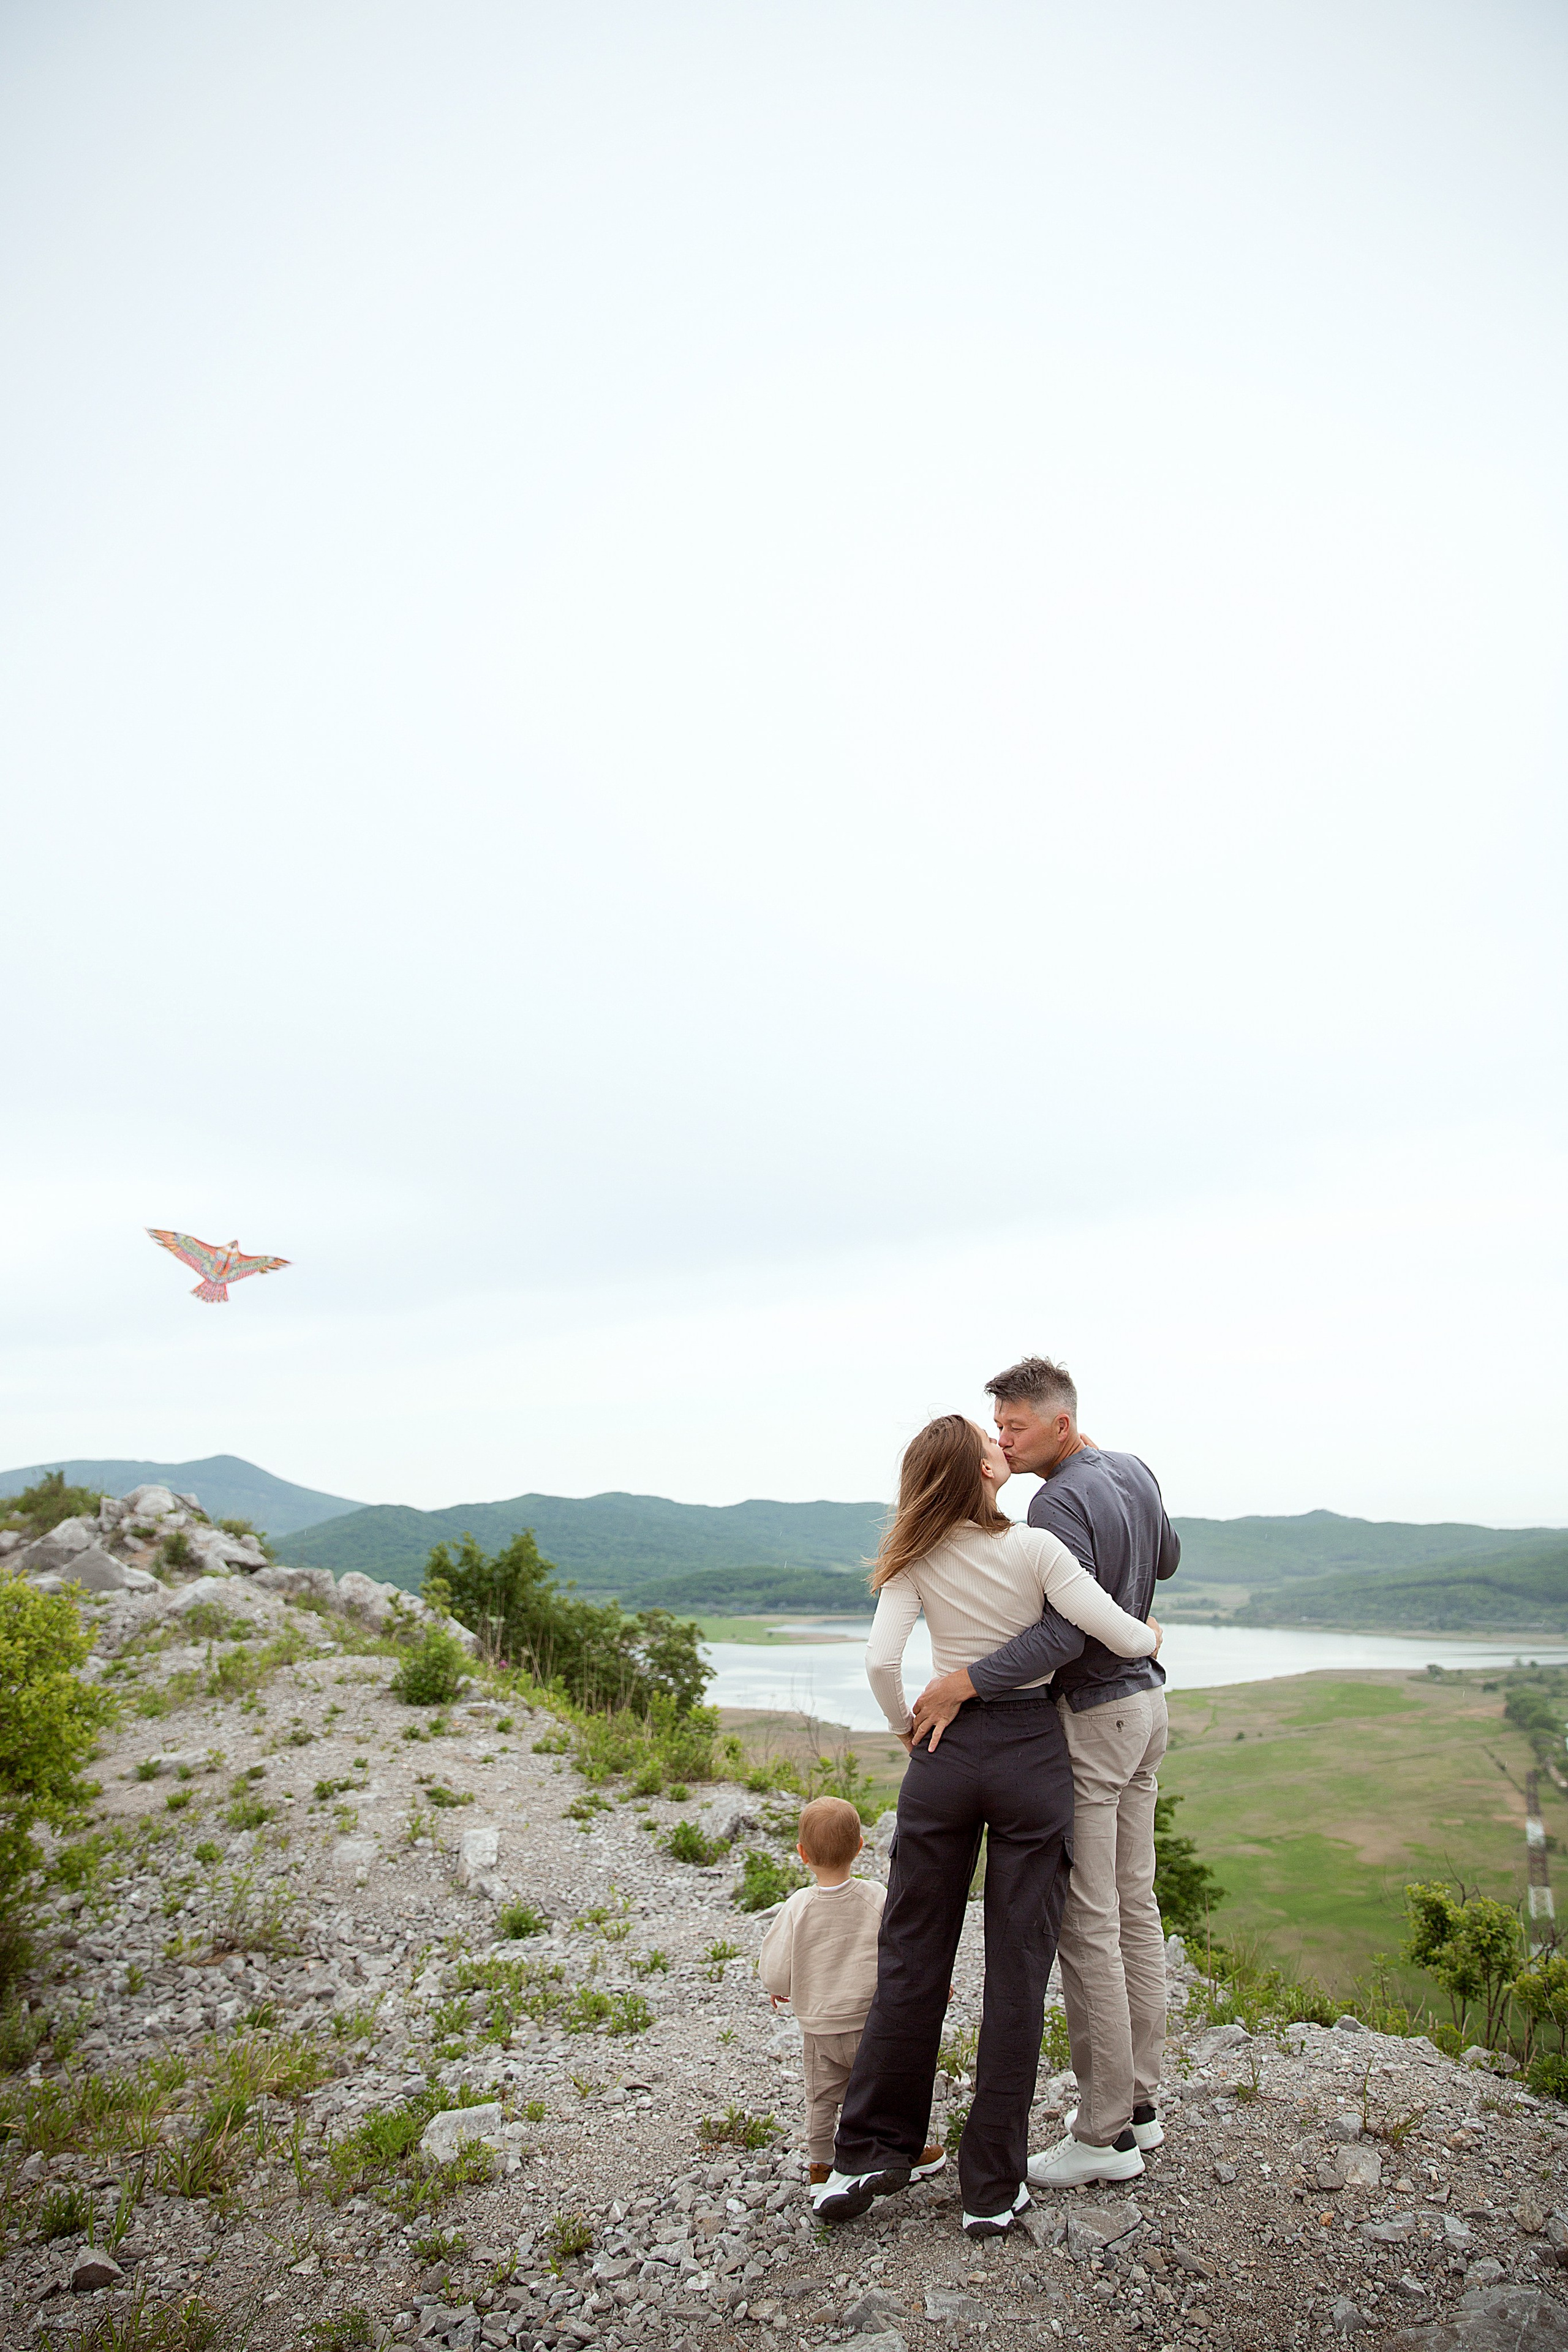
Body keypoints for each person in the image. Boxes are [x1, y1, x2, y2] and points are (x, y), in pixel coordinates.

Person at [815, 1414, 1160, 2237]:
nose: (1004, 1446)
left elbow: (879, 1662)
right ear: (982, 1467)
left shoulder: (915, 1555)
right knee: (1018, 1972)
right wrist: (1146, 1633)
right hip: (1029, 1754)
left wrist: (908, 1726)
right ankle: (991, 2188)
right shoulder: (1036, 1548)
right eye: (991, 1440)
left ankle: (869, 2150)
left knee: (911, 1953)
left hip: (942, 1755)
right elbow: (1105, 1628)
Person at [910, 1356, 1180, 2188]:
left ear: (1059, 1423)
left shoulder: (1056, 1500)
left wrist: (963, 1680)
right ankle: (1141, 2104)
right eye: (999, 1428)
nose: (1004, 1441)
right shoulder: (1128, 1468)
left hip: (1095, 1717)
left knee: (1089, 1920)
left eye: (1017, 1427)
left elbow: (1064, 1635)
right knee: (1136, 1906)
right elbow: (1166, 1559)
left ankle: (1102, 2138)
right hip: (1146, 1709)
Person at [758, 1796, 948, 2203]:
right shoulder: (876, 1896)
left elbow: (775, 1965)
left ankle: (821, 2166)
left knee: (822, 2099)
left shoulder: (798, 1907)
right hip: (871, 2024)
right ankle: (902, 2151)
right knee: (888, 2091)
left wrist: (779, 1985)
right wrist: (933, 1984)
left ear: (802, 1854)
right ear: (861, 1846)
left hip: (820, 2029)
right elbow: (906, 1945)